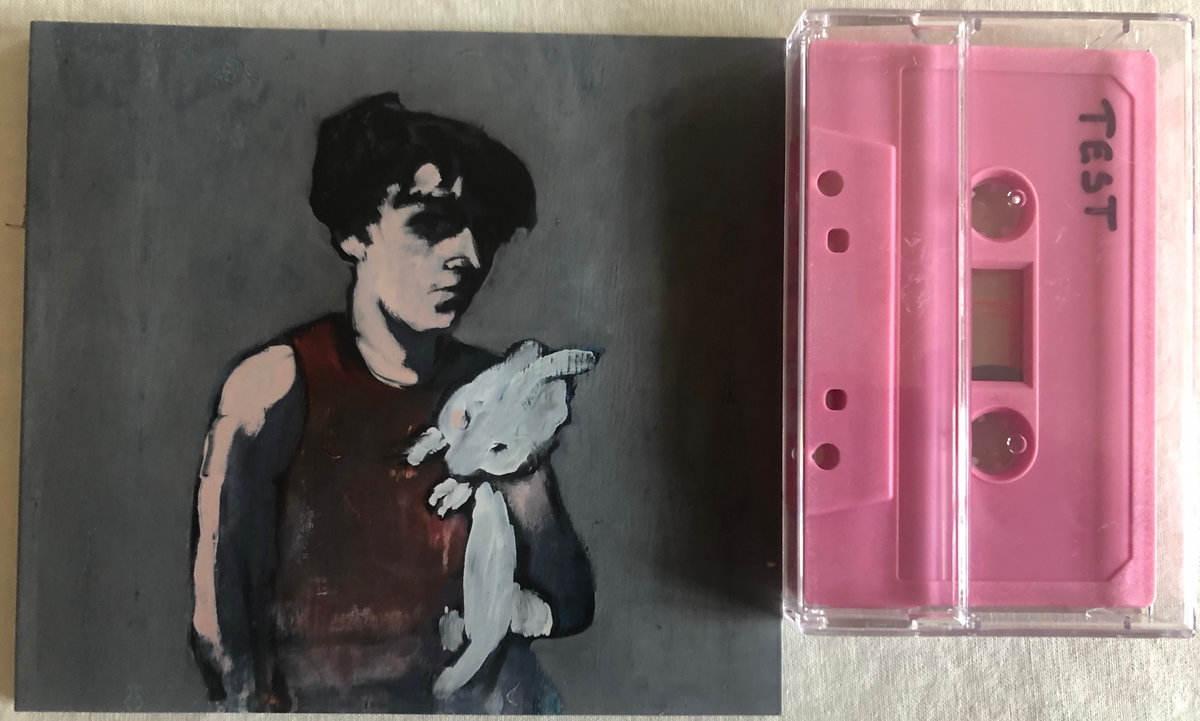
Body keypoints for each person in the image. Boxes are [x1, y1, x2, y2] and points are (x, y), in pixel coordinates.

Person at [189, 92, 595, 713]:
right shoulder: (273, 388)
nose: (469, 256)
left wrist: (522, 467)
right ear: (356, 231)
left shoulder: (494, 388)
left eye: (485, 232)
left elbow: (568, 601)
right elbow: (219, 628)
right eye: (431, 223)